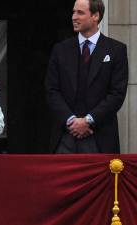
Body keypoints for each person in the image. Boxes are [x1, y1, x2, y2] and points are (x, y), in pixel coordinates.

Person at [45, 0, 128, 154]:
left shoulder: (116, 50)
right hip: (65, 137)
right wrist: (72, 121)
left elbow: (117, 94)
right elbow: (52, 90)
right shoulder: (60, 50)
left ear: (96, 16)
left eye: (80, 13)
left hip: (100, 138)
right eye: (73, 12)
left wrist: (88, 120)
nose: (73, 17)